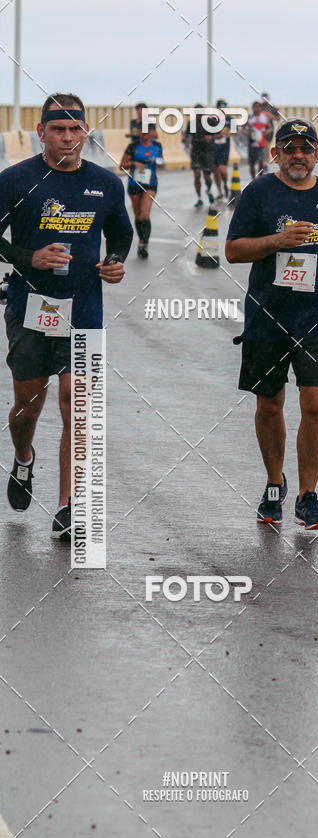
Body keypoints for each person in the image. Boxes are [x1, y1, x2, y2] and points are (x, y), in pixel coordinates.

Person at [0, 93, 133, 541]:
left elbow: (121, 232)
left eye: (76, 130)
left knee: (75, 403)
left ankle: (69, 506)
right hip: (31, 308)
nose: (68, 138)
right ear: (42, 133)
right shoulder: (16, 181)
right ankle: (23, 458)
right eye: (59, 130)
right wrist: (28, 256)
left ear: (86, 133)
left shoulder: (106, 184)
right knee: (27, 408)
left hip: (85, 309)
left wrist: (115, 260)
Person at [225, 119, 318, 530]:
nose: (298, 155)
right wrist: (277, 241)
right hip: (267, 317)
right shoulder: (259, 193)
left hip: (316, 318)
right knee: (269, 405)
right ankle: (274, 485)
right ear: (276, 155)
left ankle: (308, 495)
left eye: (306, 148)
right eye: (289, 148)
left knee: (316, 404)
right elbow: (233, 250)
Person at [120, 126, 164, 258]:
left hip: (150, 183)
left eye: (147, 131)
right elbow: (122, 165)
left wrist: (158, 162)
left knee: (145, 214)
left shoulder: (157, 146)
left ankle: (145, 243)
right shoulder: (133, 146)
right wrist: (134, 163)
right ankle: (141, 240)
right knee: (138, 215)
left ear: (151, 132)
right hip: (134, 183)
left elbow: (161, 162)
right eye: (142, 131)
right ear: (139, 132)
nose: (145, 134)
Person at [182, 104, 215, 208]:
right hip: (196, 152)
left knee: (207, 177)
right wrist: (184, 139)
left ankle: (208, 190)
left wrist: (211, 137)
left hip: (207, 152)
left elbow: (218, 133)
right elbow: (185, 136)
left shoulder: (209, 122)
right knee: (197, 175)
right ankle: (199, 198)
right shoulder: (191, 124)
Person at [244, 101, 269, 179]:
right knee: (252, 164)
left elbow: (270, 128)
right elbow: (243, 129)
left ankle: (260, 179)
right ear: (252, 108)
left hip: (261, 143)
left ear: (260, 108)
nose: (256, 109)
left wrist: (266, 132)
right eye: (254, 107)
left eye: (258, 107)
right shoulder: (250, 118)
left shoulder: (264, 118)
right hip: (252, 143)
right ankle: (253, 179)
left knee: (261, 162)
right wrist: (249, 133)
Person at [213, 99, 231, 201]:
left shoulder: (229, 120)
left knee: (222, 170)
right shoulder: (212, 120)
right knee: (216, 171)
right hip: (214, 148)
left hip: (224, 148)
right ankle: (219, 191)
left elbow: (235, 131)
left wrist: (229, 133)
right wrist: (217, 134)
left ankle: (225, 184)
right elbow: (209, 134)